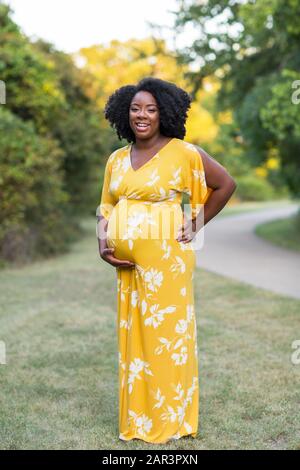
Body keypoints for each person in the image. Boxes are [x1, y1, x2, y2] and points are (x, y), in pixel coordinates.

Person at [96, 77, 236, 444]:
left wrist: (196, 223)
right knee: (134, 338)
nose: (142, 116)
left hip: (167, 262)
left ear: (165, 113)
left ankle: (171, 419)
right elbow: (107, 205)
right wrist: (103, 241)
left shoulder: (184, 153)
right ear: (124, 113)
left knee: (165, 338)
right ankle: (138, 418)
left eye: (151, 109)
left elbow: (225, 185)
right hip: (127, 266)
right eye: (135, 109)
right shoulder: (116, 159)